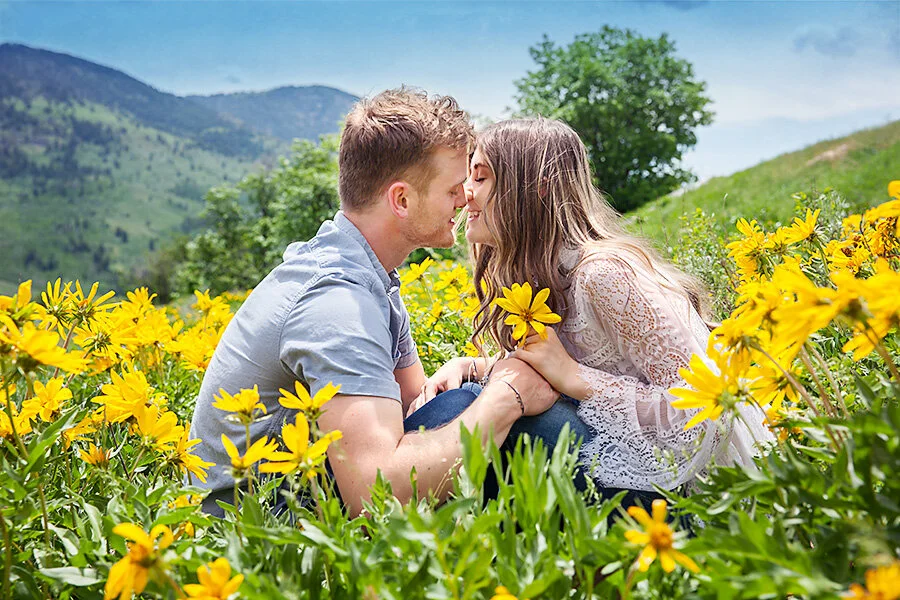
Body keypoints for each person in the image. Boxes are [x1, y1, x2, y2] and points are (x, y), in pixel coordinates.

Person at [188, 89, 568, 518]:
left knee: (461, 404)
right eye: (451, 188)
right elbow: (375, 497)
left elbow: (416, 407)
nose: (465, 200)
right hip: (260, 530)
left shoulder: (369, 275)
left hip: (302, 492)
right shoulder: (337, 304)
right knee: (479, 413)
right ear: (401, 200)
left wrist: (482, 371)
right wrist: (507, 398)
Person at [413, 117, 773, 495]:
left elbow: (705, 412)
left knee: (498, 416)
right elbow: (562, 367)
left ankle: (383, 501)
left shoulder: (603, 275)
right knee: (469, 398)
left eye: (481, 178)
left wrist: (575, 378)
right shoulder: (541, 275)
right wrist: (472, 366)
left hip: (693, 502)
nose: (465, 191)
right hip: (637, 482)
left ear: (536, 189)